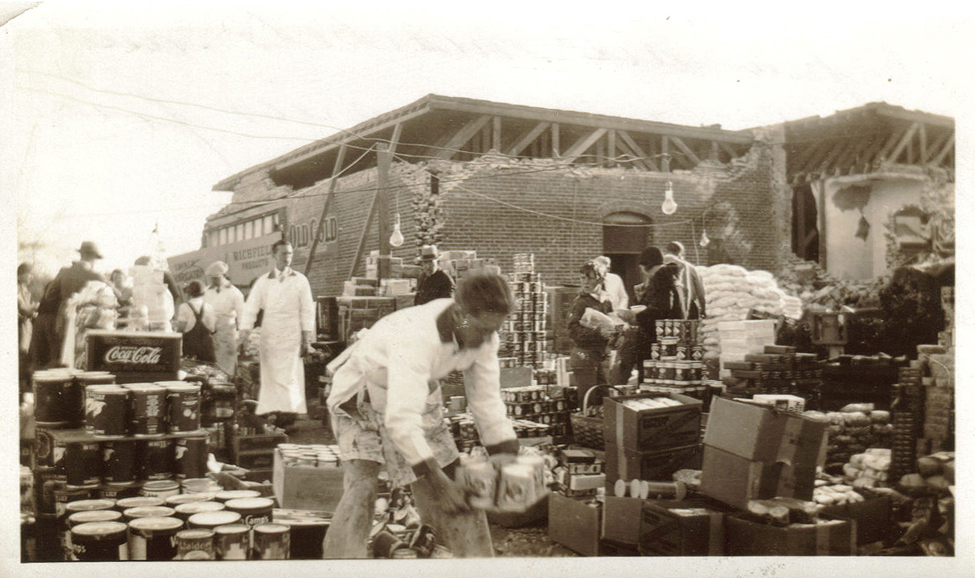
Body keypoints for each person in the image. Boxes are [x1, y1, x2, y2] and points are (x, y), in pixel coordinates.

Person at [323, 271, 519, 559]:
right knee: (363, 489)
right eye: (481, 330)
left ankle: (476, 565)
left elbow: (487, 403)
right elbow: (401, 420)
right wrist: (439, 483)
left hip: (413, 392)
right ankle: (338, 567)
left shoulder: (485, 336)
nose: (485, 340)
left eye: (493, 331)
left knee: (461, 493)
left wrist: (507, 458)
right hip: (361, 395)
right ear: (460, 314)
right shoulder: (417, 336)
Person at [239, 240, 315, 429]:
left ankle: (287, 417)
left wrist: (307, 340)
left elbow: (307, 310)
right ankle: (274, 414)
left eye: (290, 254)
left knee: (289, 376)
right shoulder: (263, 281)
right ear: (274, 256)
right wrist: (244, 334)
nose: (287, 258)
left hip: (292, 333)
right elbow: (250, 309)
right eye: (283, 254)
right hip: (270, 333)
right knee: (271, 376)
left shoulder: (300, 280)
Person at [30, 241, 110, 370]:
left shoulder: (64, 272)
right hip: (88, 321)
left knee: (62, 354)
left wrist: (66, 298)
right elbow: (116, 295)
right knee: (83, 356)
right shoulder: (95, 275)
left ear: (81, 254)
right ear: (93, 257)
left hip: (64, 317)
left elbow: (49, 295)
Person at [615, 247, 683, 384]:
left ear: (645, 266)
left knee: (649, 378)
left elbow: (661, 309)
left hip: (655, 339)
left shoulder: (661, 278)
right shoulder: (666, 277)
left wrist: (636, 317)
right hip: (664, 337)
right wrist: (641, 298)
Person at [566, 261, 618, 395]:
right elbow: (572, 330)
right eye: (583, 278)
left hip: (601, 356)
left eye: (590, 278)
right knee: (589, 400)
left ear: (600, 279)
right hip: (584, 356)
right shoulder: (580, 302)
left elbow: (611, 323)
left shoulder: (606, 300)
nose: (586, 282)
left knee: (604, 398)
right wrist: (598, 332)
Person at [203, 260, 246, 375]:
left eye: (216, 278)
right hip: (210, 334)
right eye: (212, 278)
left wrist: (241, 337)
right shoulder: (206, 292)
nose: (214, 281)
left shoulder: (234, 293)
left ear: (223, 276)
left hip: (227, 333)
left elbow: (242, 316)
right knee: (211, 366)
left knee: (227, 367)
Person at [175, 280, 217, 363]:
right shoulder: (209, 307)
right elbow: (212, 329)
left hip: (190, 345)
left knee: (190, 371)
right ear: (203, 293)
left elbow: (181, 328)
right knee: (209, 371)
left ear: (189, 293)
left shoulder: (184, 307)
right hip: (206, 346)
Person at [663, 241, 707, 319]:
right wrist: (703, 309)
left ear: (666, 250)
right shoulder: (690, 268)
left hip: (665, 305)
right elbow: (700, 292)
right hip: (688, 305)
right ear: (680, 253)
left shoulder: (659, 265)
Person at [18, 263, 39, 390]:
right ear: (20, 275)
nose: (31, 277)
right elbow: (21, 307)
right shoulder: (15, 289)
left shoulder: (25, 289)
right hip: (18, 325)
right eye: (29, 273)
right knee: (20, 354)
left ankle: (22, 382)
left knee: (24, 354)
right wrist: (34, 308)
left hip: (26, 325)